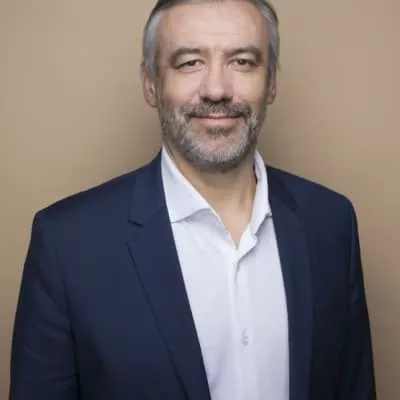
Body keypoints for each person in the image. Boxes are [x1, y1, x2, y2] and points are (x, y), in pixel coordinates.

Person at [10, 0, 376, 399]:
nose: (217, 90)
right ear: (151, 83)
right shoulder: (66, 245)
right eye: (189, 63)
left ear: (271, 82)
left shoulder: (332, 223)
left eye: (242, 62)